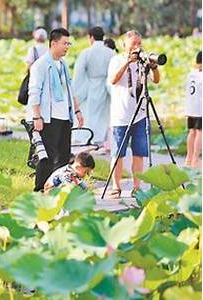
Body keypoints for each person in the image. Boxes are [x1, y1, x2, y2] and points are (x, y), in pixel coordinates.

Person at [28, 28, 84, 192]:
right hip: (48, 118)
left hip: (65, 117)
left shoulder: (64, 65)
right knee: (47, 158)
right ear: (53, 43)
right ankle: (39, 190)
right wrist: (37, 117)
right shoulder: (41, 65)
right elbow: (34, 92)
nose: (67, 47)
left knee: (63, 157)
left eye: (69, 43)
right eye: (64, 43)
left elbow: (70, 89)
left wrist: (78, 111)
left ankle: (57, 189)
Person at [107, 30, 161, 198]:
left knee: (139, 153)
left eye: (139, 43)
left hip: (140, 114)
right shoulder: (116, 60)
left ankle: (137, 187)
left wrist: (153, 67)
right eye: (133, 45)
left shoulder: (143, 61)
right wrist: (126, 63)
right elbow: (113, 80)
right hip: (120, 115)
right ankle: (116, 186)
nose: (137, 47)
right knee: (118, 154)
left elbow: (156, 80)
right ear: (125, 45)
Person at [72, 27, 115, 149]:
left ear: (91, 37)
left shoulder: (87, 52)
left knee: (90, 113)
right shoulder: (111, 53)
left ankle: (87, 137)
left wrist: (76, 92)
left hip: (91, 85)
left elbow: (78, 73)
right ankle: (100, 139)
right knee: (103, 114)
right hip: (106, 85)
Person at [24, 27, 49, 123]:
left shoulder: (33, 49)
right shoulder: (48, 49)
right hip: (46, 78)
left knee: (33, 98)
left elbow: (29, 64)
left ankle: (33, 118)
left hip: (34, 78)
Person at [184, 51, 202, 169]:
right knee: (200, 132)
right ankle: (196, 159)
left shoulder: (191, 74)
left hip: (191, 107)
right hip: (200, 108)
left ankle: (188, 158)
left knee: (192, 132)